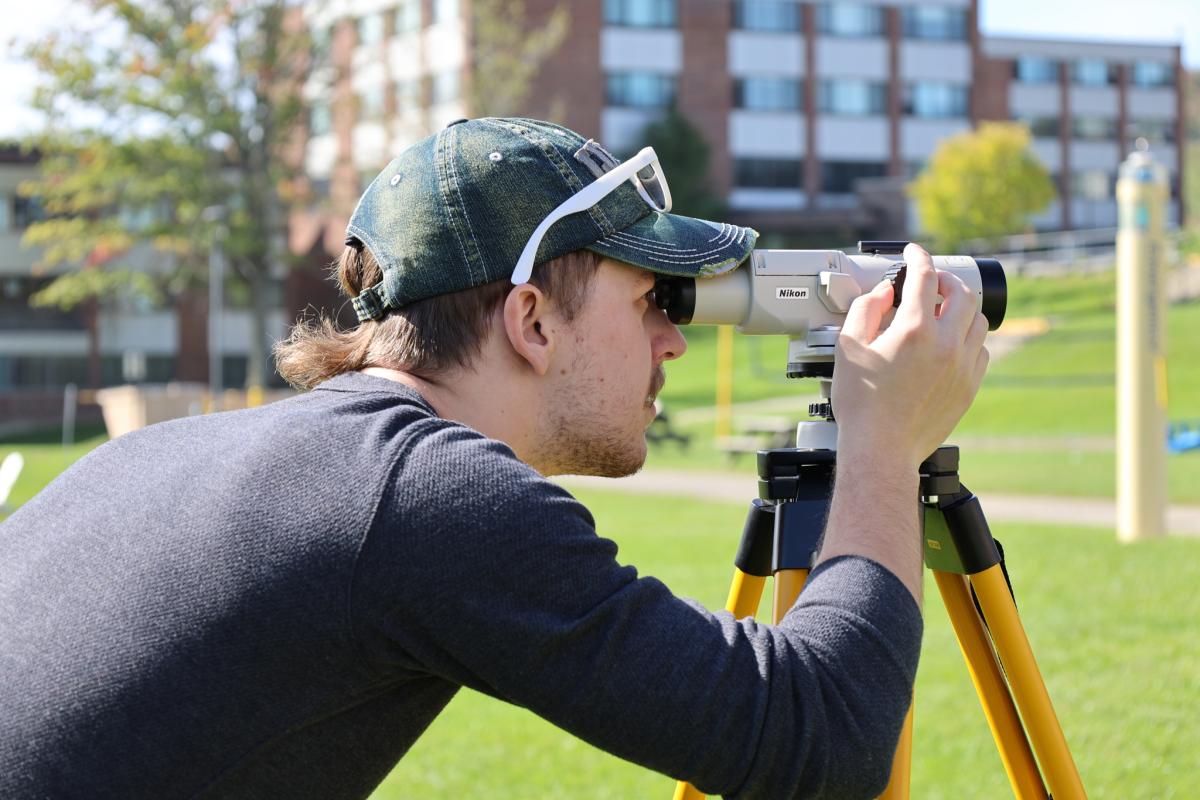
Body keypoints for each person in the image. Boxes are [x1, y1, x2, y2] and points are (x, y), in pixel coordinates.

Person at [0, 117, 988, 799]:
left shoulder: (147, 458)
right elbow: (823, 731)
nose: (674, 342)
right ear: (532, 321)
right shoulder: (426, 495)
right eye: (651, 299)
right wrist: (883, 439)